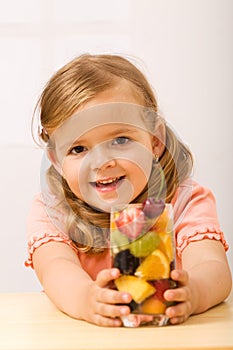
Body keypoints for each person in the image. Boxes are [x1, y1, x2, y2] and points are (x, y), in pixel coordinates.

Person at [25, 53, 232, 327]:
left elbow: (213, 268)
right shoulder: (53, 211)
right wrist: (86, 299)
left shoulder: (186, 200)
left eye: (120, 139)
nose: (101, 162)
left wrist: (195, 293)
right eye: (78, 149)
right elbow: (55, 269)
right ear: (57, 161)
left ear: (155, 141)